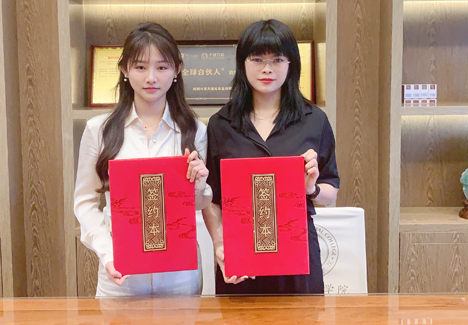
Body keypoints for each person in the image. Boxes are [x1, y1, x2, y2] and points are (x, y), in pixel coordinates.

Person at [73, 22, 211, 297]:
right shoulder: (99, 130)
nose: (151, 77)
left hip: (179, 276)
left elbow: (197, 204)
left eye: (162, 67)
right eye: (140, 67)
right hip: (121, 276)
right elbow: (85, 202)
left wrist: (199, 183)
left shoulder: (194, 130)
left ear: (177, 70)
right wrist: (108, 253)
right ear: (125, 70)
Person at [203, 19, 339, 295]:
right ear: (242, 64)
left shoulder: (314, 120)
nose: (267, 69)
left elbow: (331, 191)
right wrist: (220, 245)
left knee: (302, 323)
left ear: (291, 64)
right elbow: (212, 198)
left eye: (277, 59)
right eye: (257, 59)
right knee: (239, 323)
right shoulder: (221, 124)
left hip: (298, 256)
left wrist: (310, 189)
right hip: (240, 258)